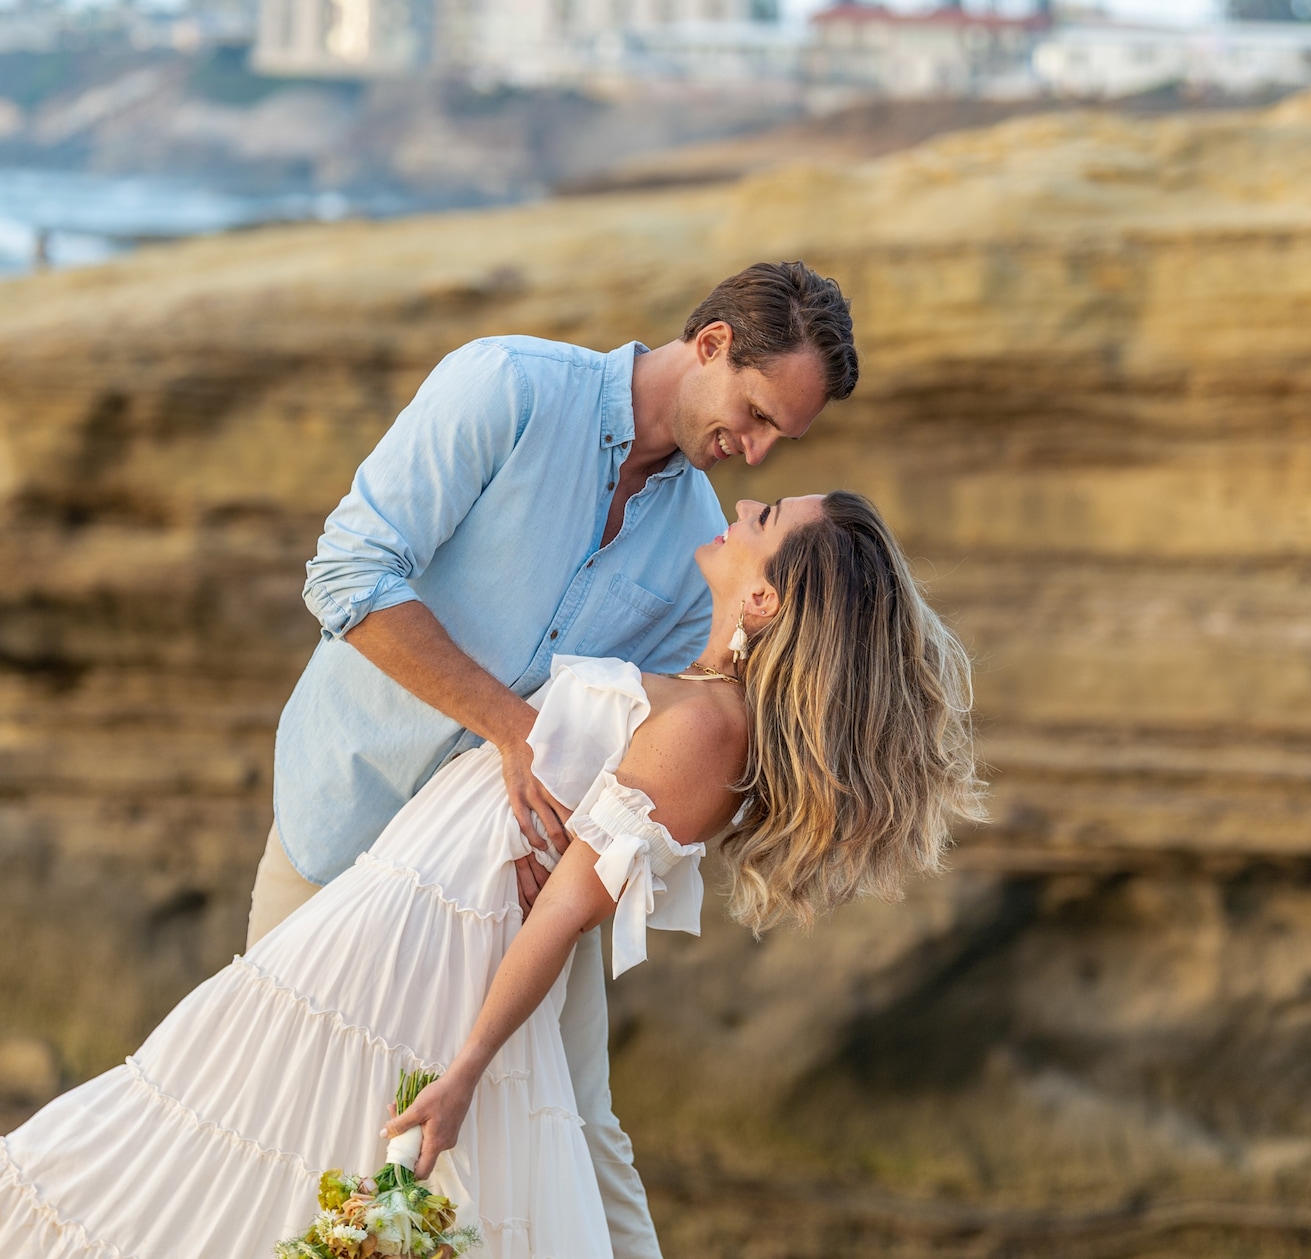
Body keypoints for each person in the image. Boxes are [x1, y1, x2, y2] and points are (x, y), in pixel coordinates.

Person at [0, 490, 984, 1259]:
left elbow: (565, 906)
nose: (743, 506)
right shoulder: (698, 696)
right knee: (202, 1107)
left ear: (763, 598)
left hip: (428, 941)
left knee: (206, 1110)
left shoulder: (708, 731)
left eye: (764, 517)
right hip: (400, 901)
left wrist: (461, 1072)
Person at [250, 259, 857, 1258]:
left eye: (775, 440)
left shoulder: (699, 543)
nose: (749, 454)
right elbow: (346, 573)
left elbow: (638, 747)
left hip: (504, 888)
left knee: (572, 1129)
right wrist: (505, 722)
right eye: (751, 415)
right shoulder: (508, 388)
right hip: (344, 816)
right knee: (274, 1107)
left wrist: (582, 841)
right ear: (709, 343)